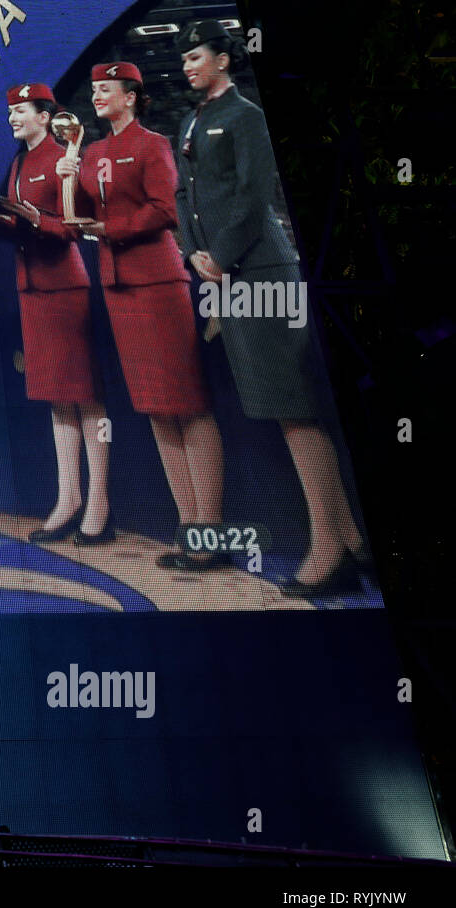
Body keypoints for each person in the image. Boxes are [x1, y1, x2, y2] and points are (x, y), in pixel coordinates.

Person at [174, 20, 369, 595]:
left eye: (196, 56)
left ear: (224, 62)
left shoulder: (246, 117)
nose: (187, 66)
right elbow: (184, 198)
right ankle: (351, 539)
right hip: (227, 275)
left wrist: (221, 257)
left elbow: (255, 195)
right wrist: (194, 255)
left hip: (261, 272)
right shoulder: (191, 121)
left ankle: (330, 548)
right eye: (183, 59)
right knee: (283, 409)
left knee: (294, 409)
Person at [58, 62, 226, 570]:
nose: (97, 96)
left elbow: (166, 209)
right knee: (155, 407)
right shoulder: (91, 151)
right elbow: (73, 218)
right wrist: (69, 162)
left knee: (187, 403)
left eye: (106, 90)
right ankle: (189, 527)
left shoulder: (152, 144)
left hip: (157, 279)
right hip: (117, 285)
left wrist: (111, 229)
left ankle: (211, 532)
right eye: (94, 90)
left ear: (131, 95)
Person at [0, 82, 111, 544]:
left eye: (22, 110)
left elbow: (74, 226)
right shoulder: (19, 162)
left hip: (64, 283)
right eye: (11, 112)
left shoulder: (64, 156)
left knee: (85, 396)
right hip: (32, 284)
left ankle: (98, 500)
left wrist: (33, 218)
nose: (14, 118)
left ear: (46, 116)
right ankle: (69, 498)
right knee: (56, 397)